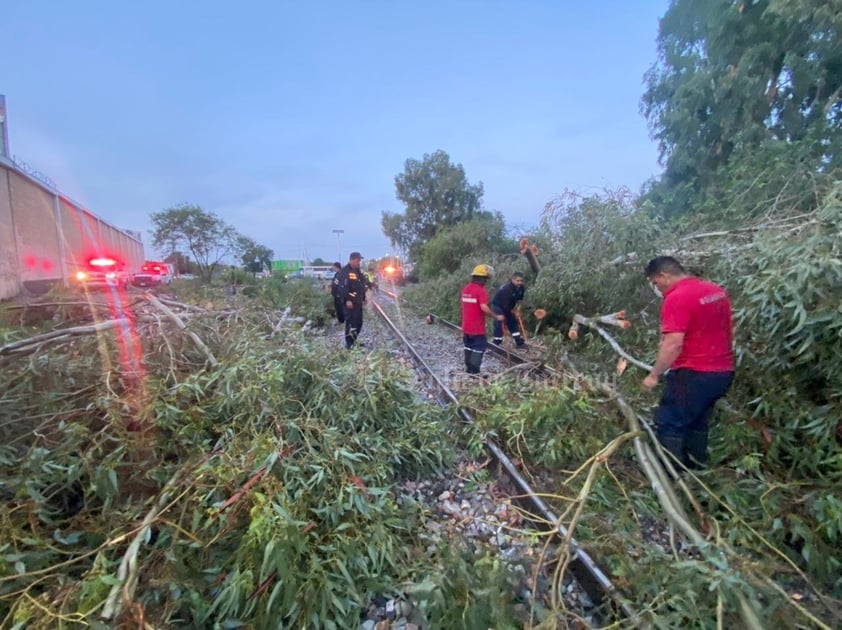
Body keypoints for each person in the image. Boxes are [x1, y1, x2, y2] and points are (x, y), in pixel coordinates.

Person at [642, 256, 735, 469]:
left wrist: (654, 375)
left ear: (664, 276)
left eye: (655, 283)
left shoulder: (677, 297)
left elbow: (673, 343)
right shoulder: (715, 290)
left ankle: (673, 476)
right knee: (697, 421)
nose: (656, 288)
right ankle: (697, 469)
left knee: (669, 422)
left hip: (694, 373)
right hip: (722, 372)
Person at [461, 264, 506, 375]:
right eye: (486, 279)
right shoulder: (481, 291)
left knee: (468, 346)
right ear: (482, 278)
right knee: (479, 347)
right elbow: (484, 307)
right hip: (477, 327)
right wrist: (496, 316)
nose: (486, 281)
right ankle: (475, 372)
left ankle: (468, 369)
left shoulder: (466, 288)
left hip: (466, 326)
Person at [338, 252, 374, 349]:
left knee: (358, 323)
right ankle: (349, 344)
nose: (359, 262)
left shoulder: (357, 271)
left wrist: (364, 297)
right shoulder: (345, 271)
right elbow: (342, 288)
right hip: (350, 303)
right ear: (352, 260)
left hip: (358, 302)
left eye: (360, 260)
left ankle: (354, 341)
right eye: (358, 260)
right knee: (351, 323)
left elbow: (361, 284)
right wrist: (347, 300)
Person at [491, 272, 527, 347]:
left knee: (512, 321)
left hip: (509, 306)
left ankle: (518, 341)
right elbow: (505, 305)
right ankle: (496, 341)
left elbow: (520, 300)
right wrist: (513, 312)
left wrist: (518, 309)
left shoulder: (521, 288)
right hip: (499, 306)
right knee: (500, 321)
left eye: (521, 281)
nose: (520, 282)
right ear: (512, 280)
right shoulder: (507, 289)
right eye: (518, 281)